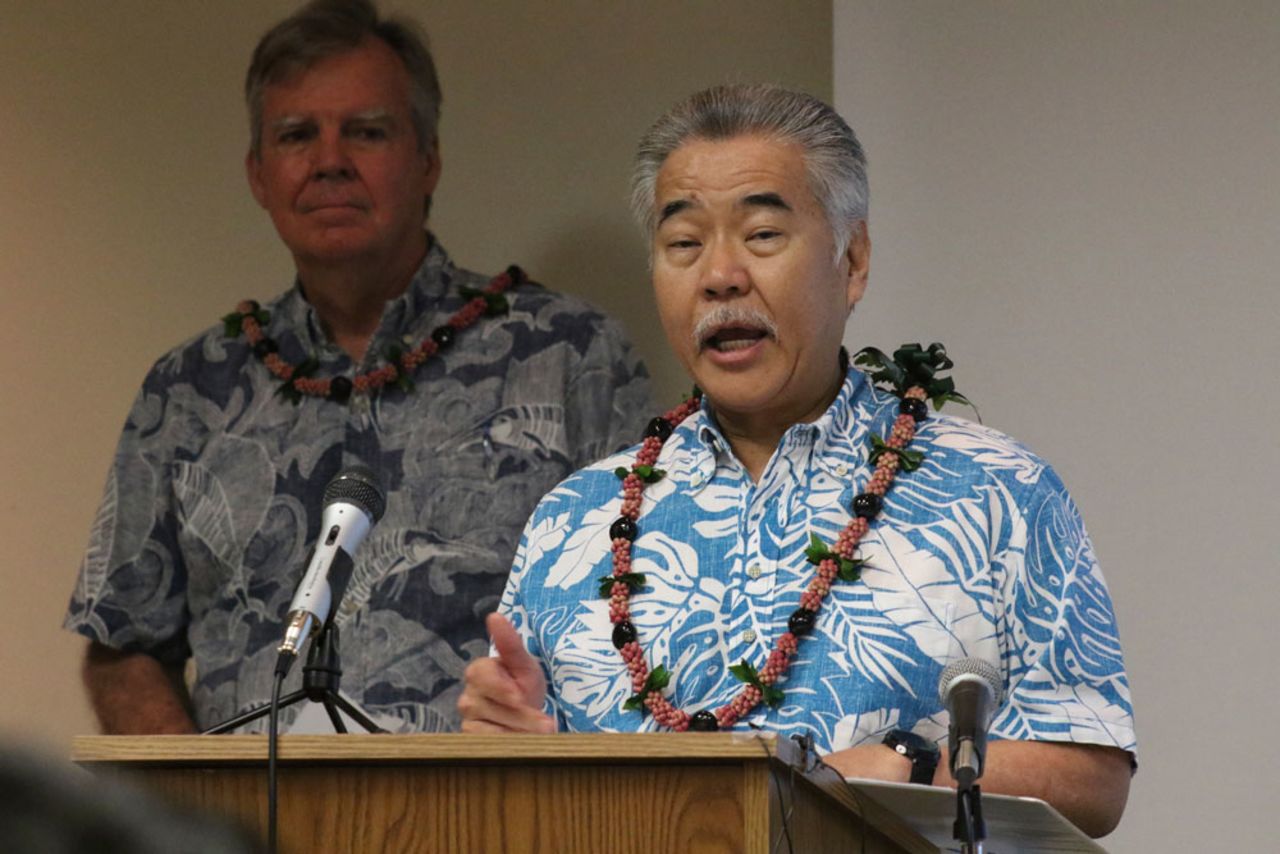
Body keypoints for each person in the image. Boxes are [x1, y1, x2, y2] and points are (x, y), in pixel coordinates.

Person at [458, 84, 1135, 837]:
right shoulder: (574, 519)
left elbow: (1093, 775)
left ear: (854, 260)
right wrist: (513, 746)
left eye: (762, 235)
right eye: (684, 244)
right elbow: (516, 807)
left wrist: (908, 764)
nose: (719, 275)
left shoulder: (997, 491)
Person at [62, 0, 650, 735]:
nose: (330, 160)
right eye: (296, 135)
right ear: (258, 173)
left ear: (428, 158)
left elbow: (640, 625)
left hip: (496, 823)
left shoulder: (570, 357)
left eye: (366, 132)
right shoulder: (187, 391)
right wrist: (197, 818)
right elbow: (123, 647)